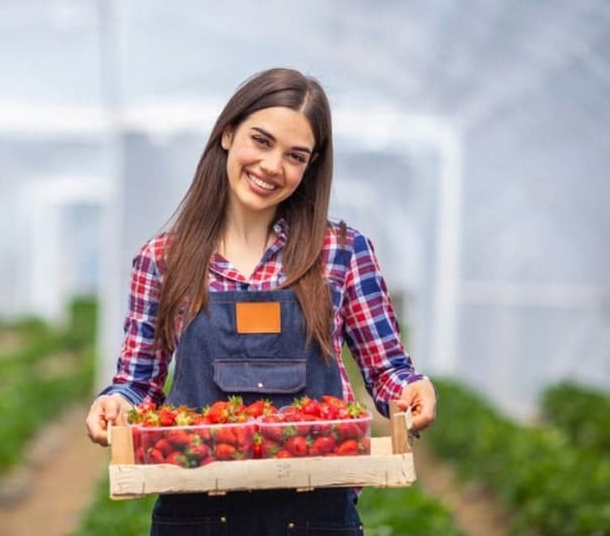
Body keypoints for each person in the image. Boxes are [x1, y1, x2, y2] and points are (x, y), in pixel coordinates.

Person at [85, 67, 437, 535]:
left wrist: (410, 390)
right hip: (197, 512)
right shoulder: (164, 260)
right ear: (228, 133)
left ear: (310, 167)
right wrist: (114, 404)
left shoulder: (342, 253)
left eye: (296, 156)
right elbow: (138, 384)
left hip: (316, 511)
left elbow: (387, 370)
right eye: (262, 140)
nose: (273, 167)